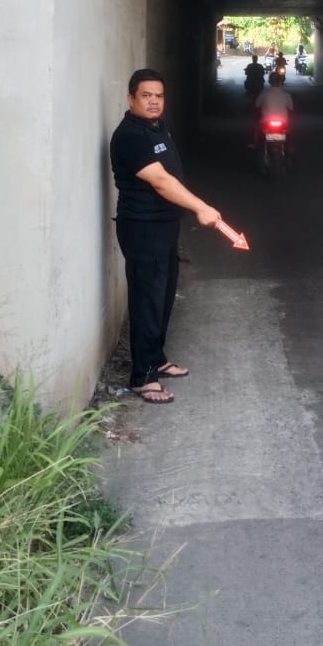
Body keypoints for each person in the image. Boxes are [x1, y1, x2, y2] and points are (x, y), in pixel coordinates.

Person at [109, 69, 221, 404]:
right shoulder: (131, 136)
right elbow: (160, 181)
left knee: (162, 297)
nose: (154, 101)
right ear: (131, 99)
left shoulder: (157, 128)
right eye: (146, 95)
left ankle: (156, 359)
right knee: (147, 300)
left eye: (159, 95)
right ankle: (143, 377)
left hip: (164, 227)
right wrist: (201, 207)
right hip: (143, 229)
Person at [254, 70, 294, 148]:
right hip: (283, 122)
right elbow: (291, 109)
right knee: (289, 133)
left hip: (266, 121)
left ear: (269, 82)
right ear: (280, 82)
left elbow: (257, 105)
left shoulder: (264, 93)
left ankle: (255, 144)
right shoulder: (287, 95)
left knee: (256, 129)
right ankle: (288, 146)